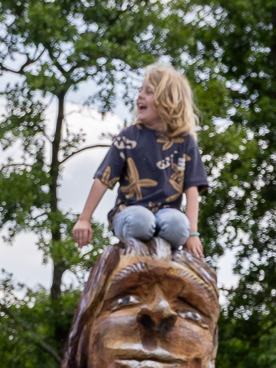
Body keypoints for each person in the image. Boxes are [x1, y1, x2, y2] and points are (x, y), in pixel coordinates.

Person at [71, 61, 208, 258]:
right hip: (130, 213)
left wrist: (193, 234)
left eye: (149, 92)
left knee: (178, 225)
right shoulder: (128, 137)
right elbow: (103, 179)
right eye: (140, 91)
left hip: (166, 215)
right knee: (141, 221)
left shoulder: (185, 141)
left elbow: (192, 189)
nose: (140, 97)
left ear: (167, 100)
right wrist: (84, 219)